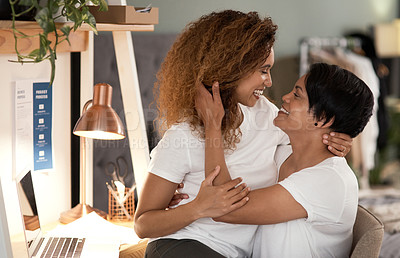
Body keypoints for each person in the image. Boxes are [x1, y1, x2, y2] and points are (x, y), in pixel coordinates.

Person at [133, 10, 352, 258]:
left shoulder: (266, 115)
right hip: (187, 245)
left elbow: (303, 149)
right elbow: (142, 224)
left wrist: (333, 139)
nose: (269, 82)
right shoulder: (186, 133)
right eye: (262, 70)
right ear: (232, 68)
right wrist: (196, 208)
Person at [195, 62, 373, 257]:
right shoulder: (282, 156)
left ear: (322, 119)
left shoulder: (329, 180)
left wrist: (212, 125)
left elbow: (223, 209)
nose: (285, 97)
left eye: (297, 95)